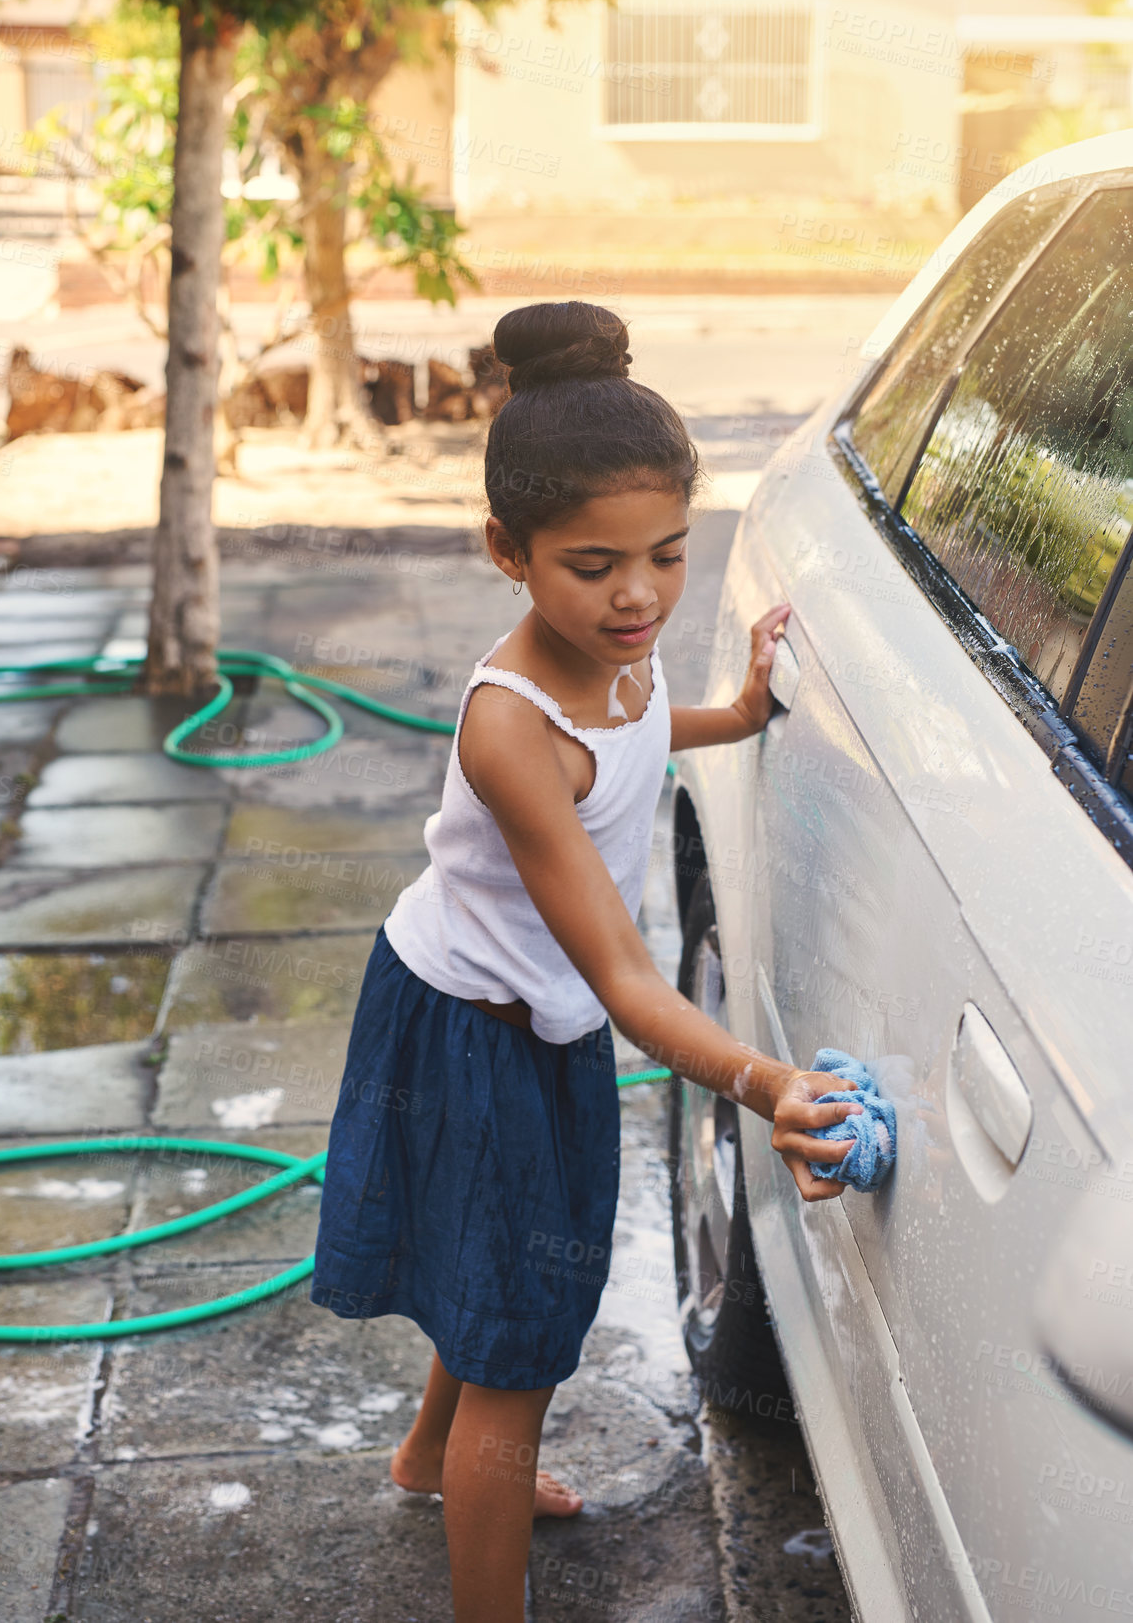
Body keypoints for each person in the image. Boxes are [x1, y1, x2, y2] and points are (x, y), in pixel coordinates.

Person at [310, 300, 862, 1623]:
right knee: (519, 1356)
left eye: (668, 556)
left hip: (540, 1024)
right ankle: (475, 1509)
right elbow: (624, 973)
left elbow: (633, 729)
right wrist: (760, 1080)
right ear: (508, 551)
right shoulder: (512, 727)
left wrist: (733, 710)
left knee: (505, 1281)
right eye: (595, 564)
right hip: (469, 1028)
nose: (638, 595)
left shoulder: (619, 652)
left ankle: (427, 1453)